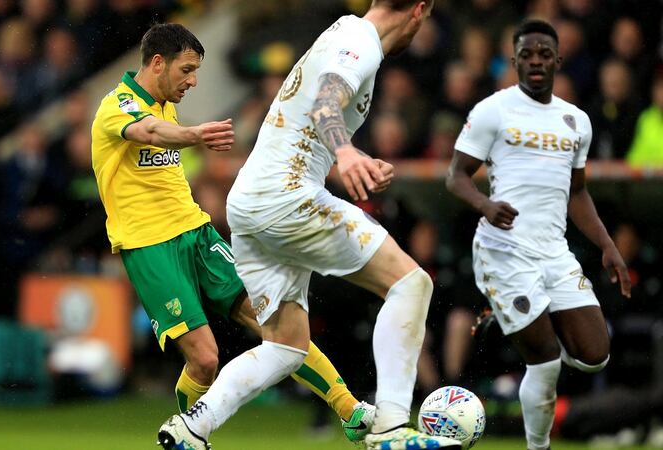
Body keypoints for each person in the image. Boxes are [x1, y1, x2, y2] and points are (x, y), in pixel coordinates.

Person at [158, 2, 462, 450]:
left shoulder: (343, 30)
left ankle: (191, 428)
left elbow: (305, 124)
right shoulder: (361, 44)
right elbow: (324, 105)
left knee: (285, 347)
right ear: (420, 10)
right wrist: (347, 153)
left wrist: (345, 159)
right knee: (410, 283)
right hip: (288, 199)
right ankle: (392, 429)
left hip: (252, 203)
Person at [89, 23, 374, 444]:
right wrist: (194, 135)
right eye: (186, 70)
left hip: (198, 233)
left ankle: (350, 411)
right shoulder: (117, 106)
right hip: (150, 247)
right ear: (156, 63)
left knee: (276, 322)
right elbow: (147, 132)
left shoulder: (166, 103)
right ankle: (189, 435)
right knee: (205, 360)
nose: (193, 80)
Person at [446, 19, 632, 450]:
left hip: (554, 252)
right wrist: (485, 205)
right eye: (526, 54)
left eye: (543, 55)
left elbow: (578, 192)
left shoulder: (577, 121)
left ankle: (520, 321)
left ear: (557, 61)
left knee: (594, 355)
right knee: (545, 363)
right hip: (503, 251)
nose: (534, 61)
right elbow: (456, 177)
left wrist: (607, 245)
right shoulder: (493, 110)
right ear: (513, 61)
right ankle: (538, 446)